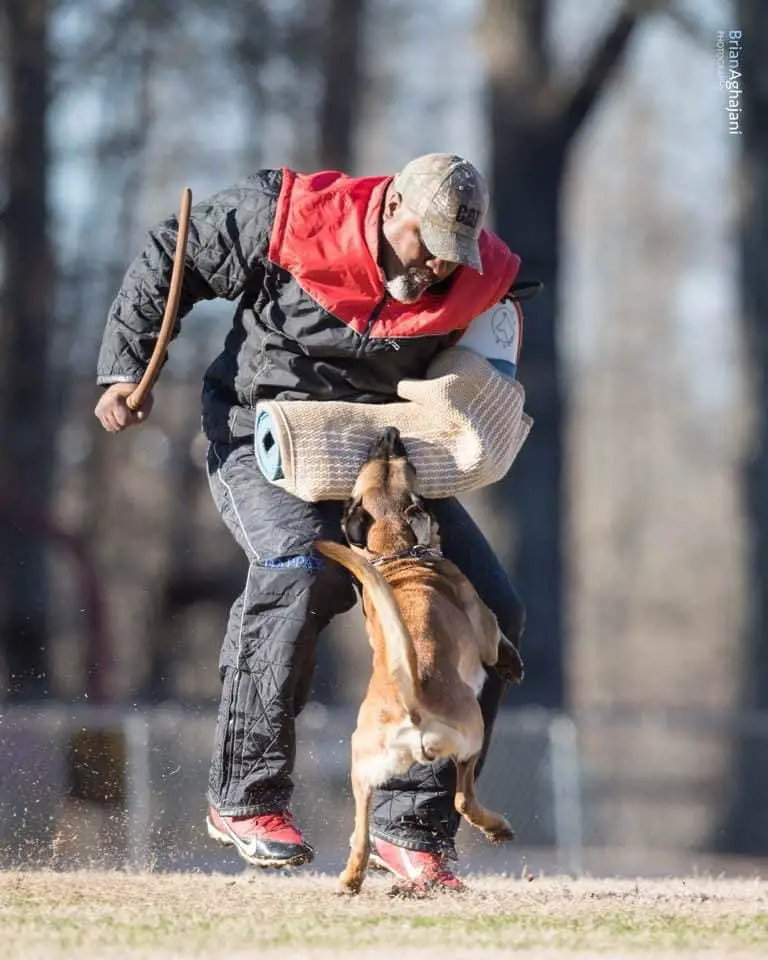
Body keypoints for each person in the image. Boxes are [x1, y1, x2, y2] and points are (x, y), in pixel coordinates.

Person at [95, 153, 526, 891]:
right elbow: (177, 249)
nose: (433, 274)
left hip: (377, 456)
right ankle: (245, 795)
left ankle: (411, 829)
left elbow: (493, 346)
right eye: (427, 250)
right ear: (393, 209)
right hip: (259, 433)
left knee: (493, 607)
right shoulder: (288, 219)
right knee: (302, 572)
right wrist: (125, 368)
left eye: (453, 261)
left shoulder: (476, 270)